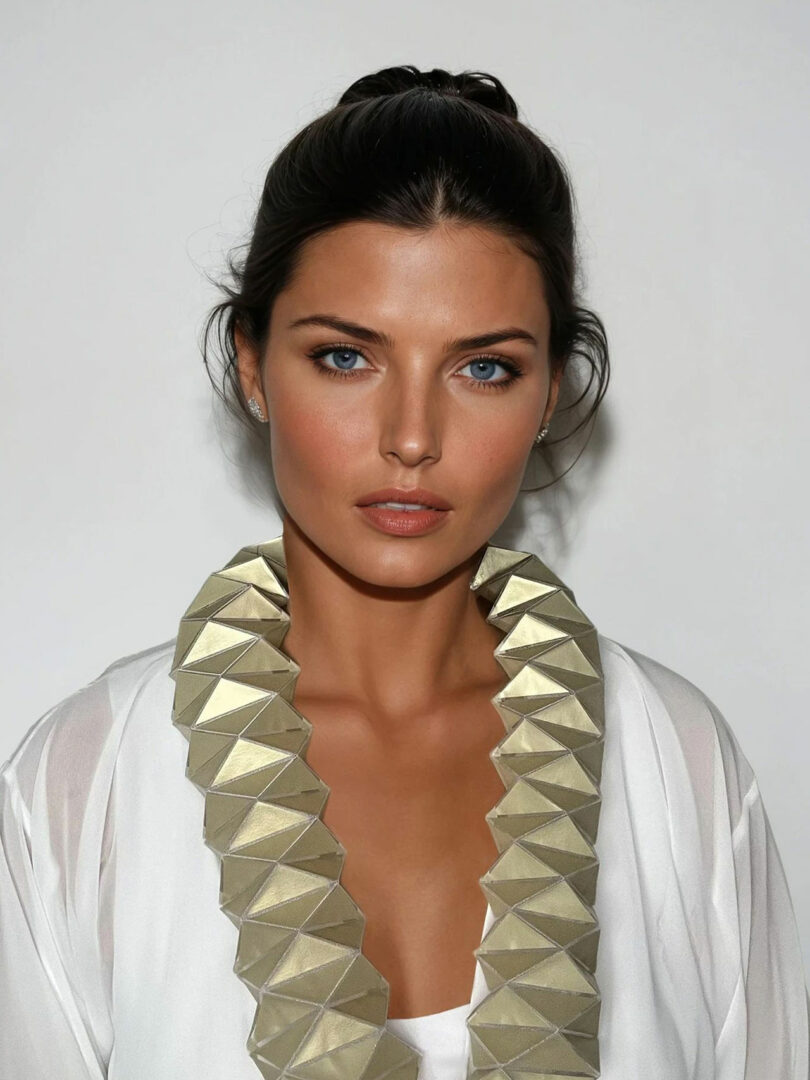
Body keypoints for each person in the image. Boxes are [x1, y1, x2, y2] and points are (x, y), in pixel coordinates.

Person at [0, 65, 806, 1080]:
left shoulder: (678, 765)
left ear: (551, 392)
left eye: (485, 368)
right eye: (347, 357)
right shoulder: (86, 785)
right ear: (252, 366)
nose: (412, 437)